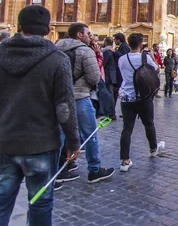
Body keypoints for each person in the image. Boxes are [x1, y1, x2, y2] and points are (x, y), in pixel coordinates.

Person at [0, 5, 81, 226]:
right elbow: (64, 107)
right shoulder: (57, 59)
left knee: (0, 201)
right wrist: (73, 141)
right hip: (41, 144)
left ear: (18, 27)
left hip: (2, 142)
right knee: (40, 203)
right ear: (49, 30)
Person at [57, 23, 116, 183]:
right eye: (87, 33)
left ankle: (57, 171)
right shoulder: (85, 51)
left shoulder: (56, 48)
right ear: (78, 35)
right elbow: (94, 78)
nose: (90, 36)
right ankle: (94, 169)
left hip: (60, 98)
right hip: (79, 96)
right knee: (90, 134)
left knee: (60, 135)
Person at [116, 33, 165, 172]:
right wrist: (151, 56)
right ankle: (153, 148)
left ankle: (125, 160)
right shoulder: (145, 57)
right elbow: (156, 69)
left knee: (127, 128)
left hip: (126, 97)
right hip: (143, 97)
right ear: (140, 44)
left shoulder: (122, 59)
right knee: (149, 124)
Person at [102, 37, 117, 118]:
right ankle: (111, 112)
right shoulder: (111, 51)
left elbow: (103, 63)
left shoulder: (107, 52)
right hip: (111, 75)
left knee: (110, 94)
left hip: (108, 76)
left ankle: (111, 113)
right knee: (111, 94)